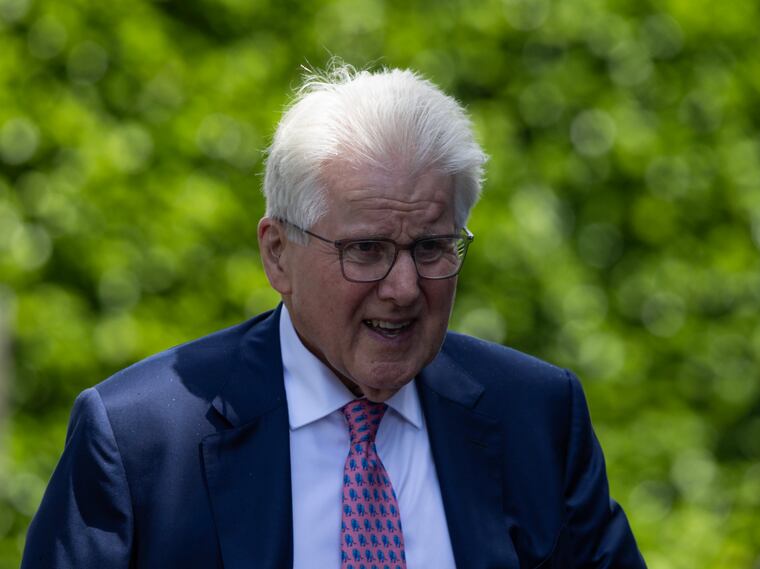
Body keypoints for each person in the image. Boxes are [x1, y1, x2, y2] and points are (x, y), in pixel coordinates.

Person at [22, 62, 646, 568]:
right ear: (277, 254)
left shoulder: (536, 416)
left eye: (431, 247)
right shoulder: (139, 442)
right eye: (366, 249)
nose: (404, 288)